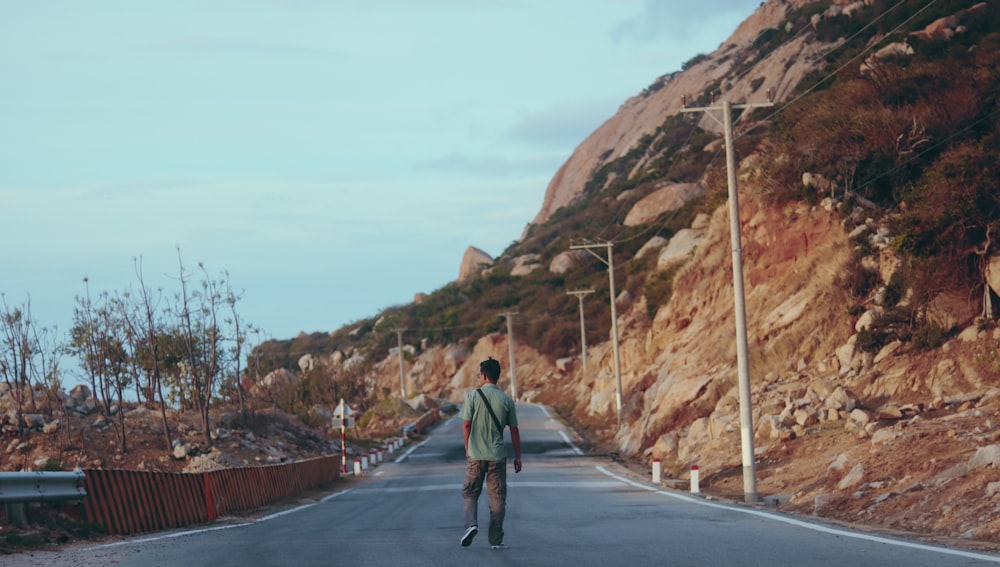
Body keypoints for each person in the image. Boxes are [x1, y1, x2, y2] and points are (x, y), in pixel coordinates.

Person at [459, 357, 522, 550]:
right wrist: (518, 457)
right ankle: (495, 539)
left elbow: (466, 424)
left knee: (470, 492)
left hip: (476, 455)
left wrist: (468, 448)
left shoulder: (472, 397)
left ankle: (471, 525)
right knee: (497, 498)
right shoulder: (506, 400)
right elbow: (514, 430)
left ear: (484, 375)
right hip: (497, 456)